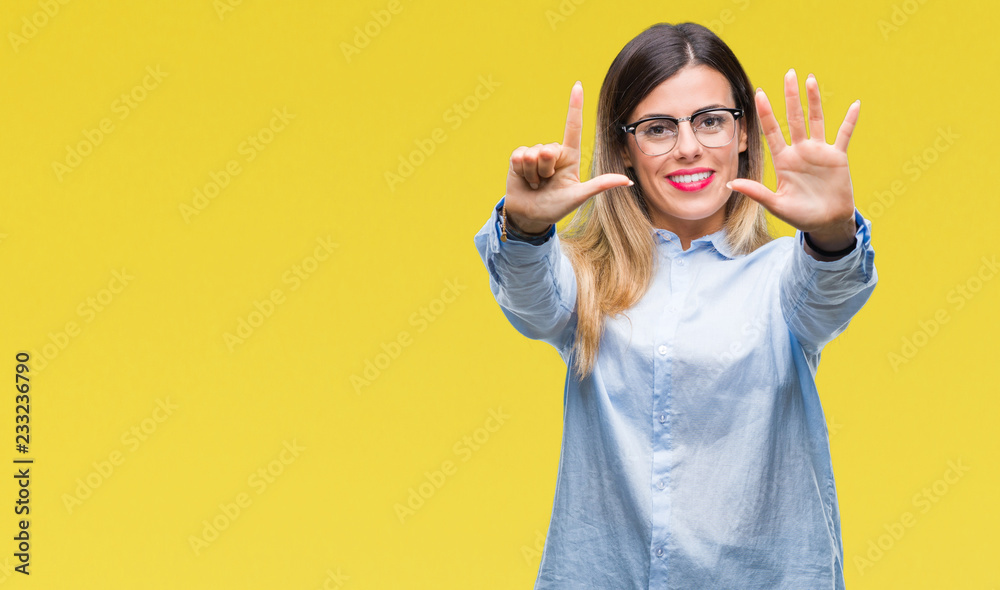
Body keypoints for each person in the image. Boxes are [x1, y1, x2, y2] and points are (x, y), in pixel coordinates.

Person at [473, 21, 877, 590]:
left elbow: (831, 290)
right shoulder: (589, 277)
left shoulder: (780, 278)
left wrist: (834, 233)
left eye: (710, 121)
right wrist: (526, 227)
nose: (688, 147)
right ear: (625, 150)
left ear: (742, 134)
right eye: (658, 128)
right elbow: (531, 301)